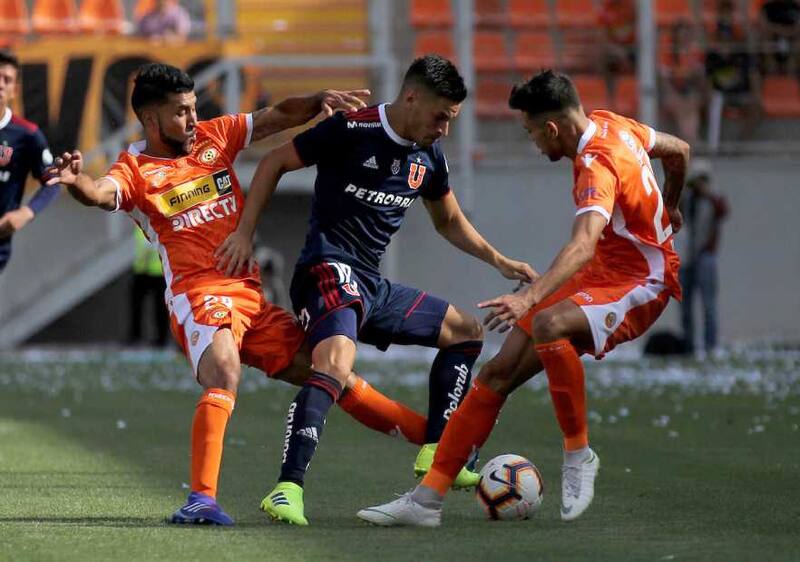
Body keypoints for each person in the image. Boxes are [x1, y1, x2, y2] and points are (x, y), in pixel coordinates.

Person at [46, 63, 435, 527]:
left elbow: (272, 117)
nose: (193, 120)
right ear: (151, 121)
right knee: (224, 371)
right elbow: (100, 191)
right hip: (199, 295)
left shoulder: (214, 135)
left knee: (333, 374)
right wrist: (78, 185)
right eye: (180, 113)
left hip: (250, 298)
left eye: (193, 109)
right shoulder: (134, 169)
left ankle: (441, 444)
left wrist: (317, 101)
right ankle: (201, 499)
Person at [215, 54, 536, 526]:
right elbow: (274, 162)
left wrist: (499, 260)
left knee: (465, 332)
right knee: (336, 363)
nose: (444, 129)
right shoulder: (352, 129)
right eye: (440, 117)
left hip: (371, 283)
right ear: (411, 98)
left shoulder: (428, 159)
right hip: (325, 271)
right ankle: (287, 488)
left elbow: (447, 220)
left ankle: (435, 451)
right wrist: (244, 232)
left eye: (451, 120)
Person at [358, 69, 689, 527]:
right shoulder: (614, 122)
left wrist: (527, 297)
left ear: (550, 128)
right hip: (605, 272)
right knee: (497, 371)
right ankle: (426, 501)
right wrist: (671, 204)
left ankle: (578, 456)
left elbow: (582, 244)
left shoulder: (596, 162)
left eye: (531, 132)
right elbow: (679, 151)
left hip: (642, 279)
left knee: (550, 323)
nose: (533, 142)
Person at [0, 50, 60, 274]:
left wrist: (26, 213)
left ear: (15, 90)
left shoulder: (27, 135)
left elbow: (53, 181)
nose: (0, 84)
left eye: (7, 79)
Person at [679, 161, 728, 354]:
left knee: (708, 305)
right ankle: (688, 345)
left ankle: (710, 345)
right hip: (686, 256)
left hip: (706, 257)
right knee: (685, 306)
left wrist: (708, 192)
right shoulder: (688, 199)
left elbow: (723, 210)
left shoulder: (714, 199)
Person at [128, 226, 169, 347]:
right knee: (136, 305)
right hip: (141, 270)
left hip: (158, 272)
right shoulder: (138, 225)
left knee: (160, 308)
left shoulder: (156, 224)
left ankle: (161, 339)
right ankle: (135, 336)